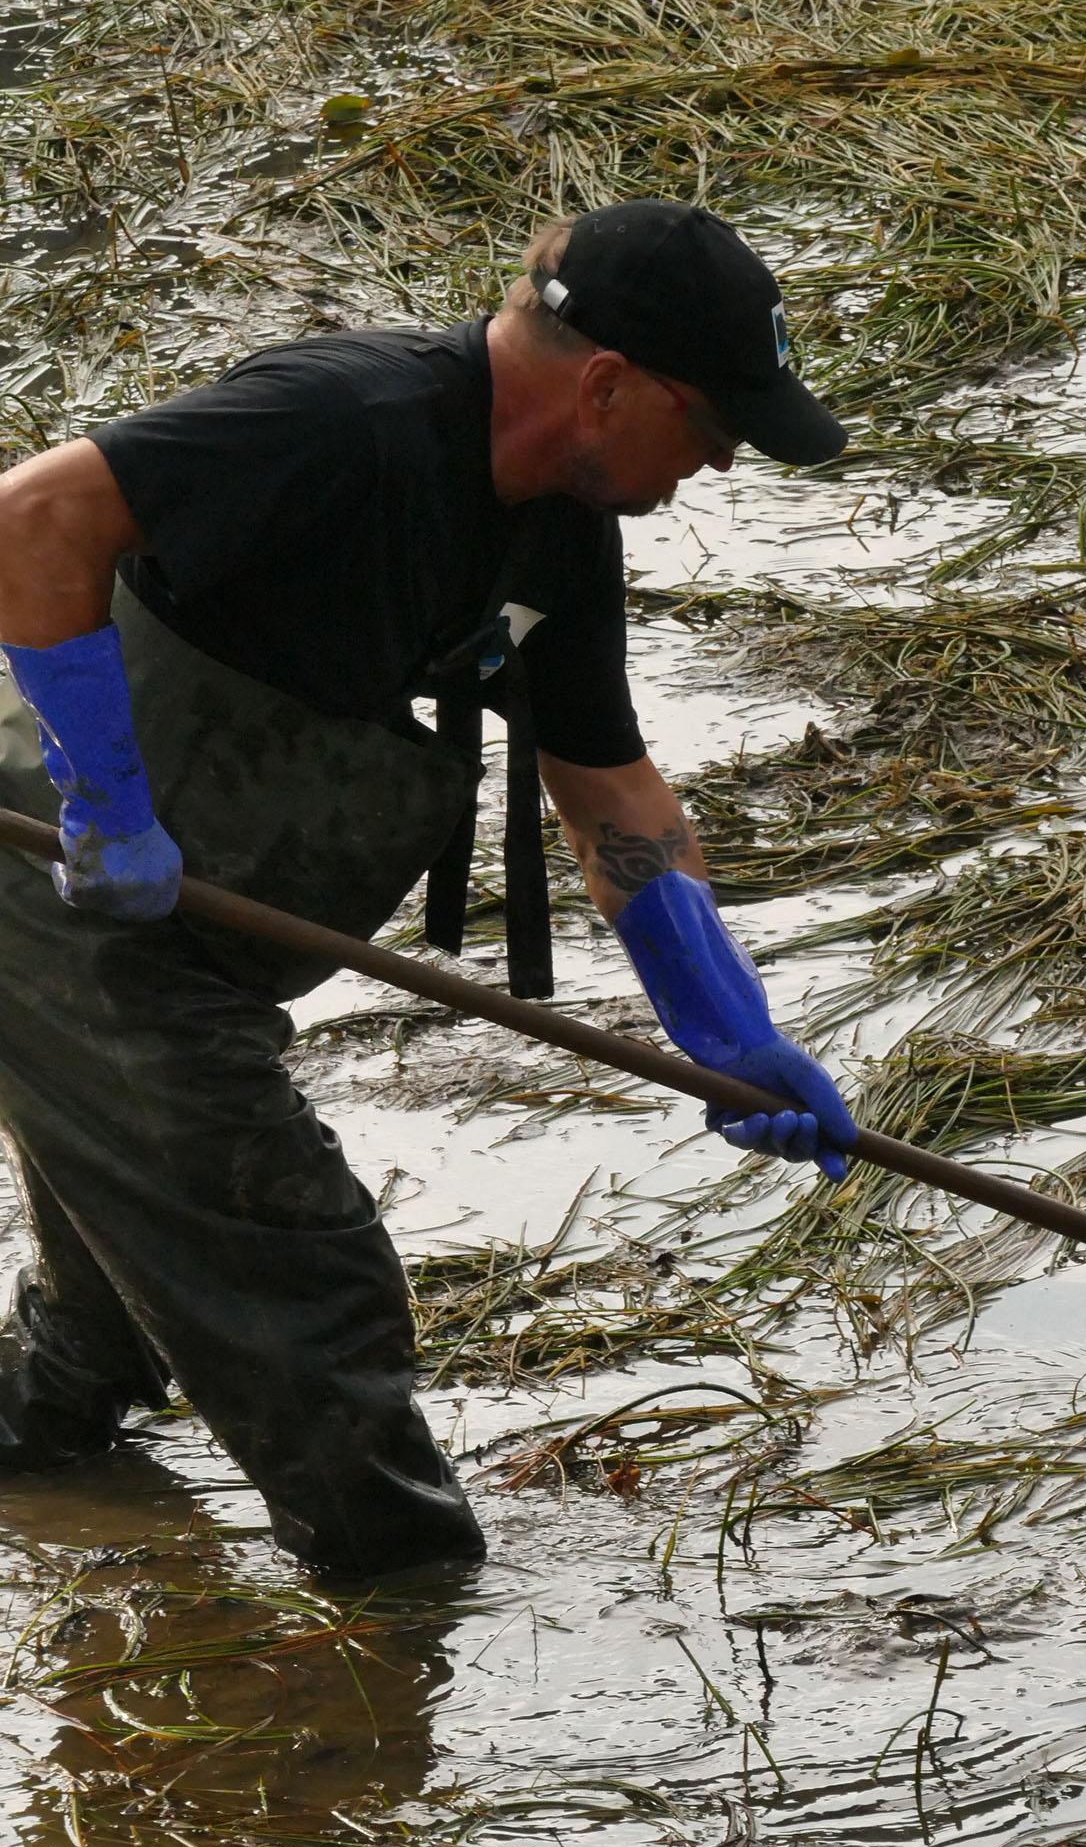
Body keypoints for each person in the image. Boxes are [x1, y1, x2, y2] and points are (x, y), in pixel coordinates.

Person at [0, 198, 857, 1577]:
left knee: (99, 1332)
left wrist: (729, 1033)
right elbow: (38, 514)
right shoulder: (348, 417)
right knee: (299, 1277)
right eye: (712, 429)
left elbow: (612, 792)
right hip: (65, 911)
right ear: (606, 382)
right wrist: (105, 799)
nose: (716, 464)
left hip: (197, 942)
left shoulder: (557, 541)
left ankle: (54, 1505)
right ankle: (395, 1622)